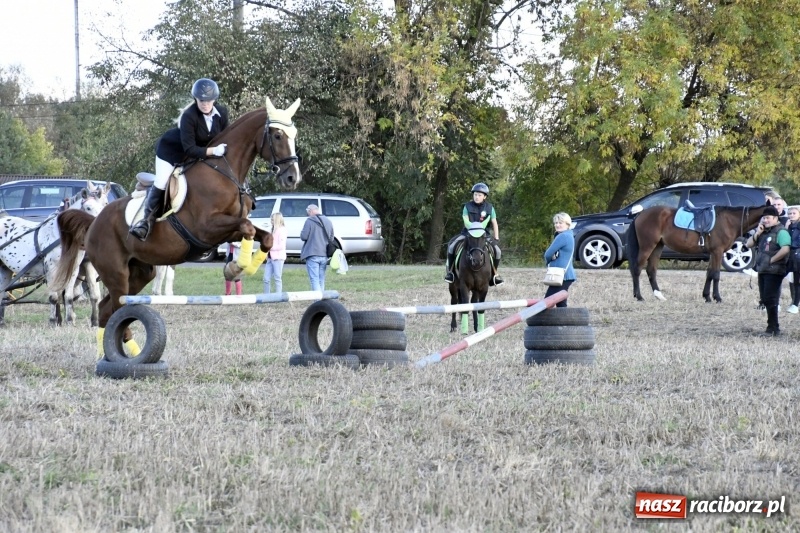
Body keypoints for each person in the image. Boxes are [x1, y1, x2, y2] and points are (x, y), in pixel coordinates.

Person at [130, 78, 231, 240]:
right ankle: (145, 222)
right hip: (171, 153)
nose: (205, 104)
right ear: (195, 99)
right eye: (201, 100)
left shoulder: (222, 113)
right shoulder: (189, 116)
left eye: (208, 100)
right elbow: (190, 149)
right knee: (162, 182)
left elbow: (226, 138)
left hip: (198, 155)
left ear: (214, 100)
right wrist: (214, 150)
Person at [444, 183, 503, 286]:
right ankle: (451, 273)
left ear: (484, 196)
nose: (477, 197)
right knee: (452, 247)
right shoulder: (467, 206)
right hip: (468, 233)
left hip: (484, 235)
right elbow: (466, 222)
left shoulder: (490, 208)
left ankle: (494, 274)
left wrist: (496, 237)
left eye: (479, 195)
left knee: (497, 251)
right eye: (475, 194)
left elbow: (494, 223)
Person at [745, 205, 790, 336]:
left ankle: (773, 328)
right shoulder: (763, 232)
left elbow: (785, 248)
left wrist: (772, 260)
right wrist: (758, 233)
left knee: (770, 298)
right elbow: (748, 244)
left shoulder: (781, 232)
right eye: (764, 218)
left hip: (775, 270)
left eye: (768, 218)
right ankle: (772, 327)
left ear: (776, 218)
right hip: (763, 270)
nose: (765, 220)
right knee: (765, 298)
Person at [543, 212, 577, 307]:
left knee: (547, 302)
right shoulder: (570, 235)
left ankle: (542, 321)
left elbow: (547, 254)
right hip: (567, 275)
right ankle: (564, 321)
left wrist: (549, 260)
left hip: (560, 275)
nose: (557, 225)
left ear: (567, 224)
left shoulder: (563, 236)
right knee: (561, 303)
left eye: (560, 222)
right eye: (556, 223)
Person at [300, 204, 334, 292]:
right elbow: (331, 238)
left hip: (312, 253)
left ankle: (317, 301)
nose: (307, 214)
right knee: (321, 278)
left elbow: (304, 236)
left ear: (310, 211)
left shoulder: (309, 221)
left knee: (314, 279)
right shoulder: (328, 221)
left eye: (308, 212)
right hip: (324, 254)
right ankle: (321, 300)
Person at [263, 212, 287, 293]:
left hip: (278, 258)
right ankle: (267, 296)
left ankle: (278, 296)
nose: (271, 221)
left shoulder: (282, 230)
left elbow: (281, 246)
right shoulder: (271, 230)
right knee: (266, 278)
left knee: (277, 278)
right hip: (270, 257)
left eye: (272, 220)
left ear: (276, 220)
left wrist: (270, 247)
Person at [786, 206, 800, 314]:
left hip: (797, 255)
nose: (791, 215)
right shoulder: (789, 226)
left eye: (793, 213)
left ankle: (795, 304)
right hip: (790, 254)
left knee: (797, 280)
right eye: (789, 213)